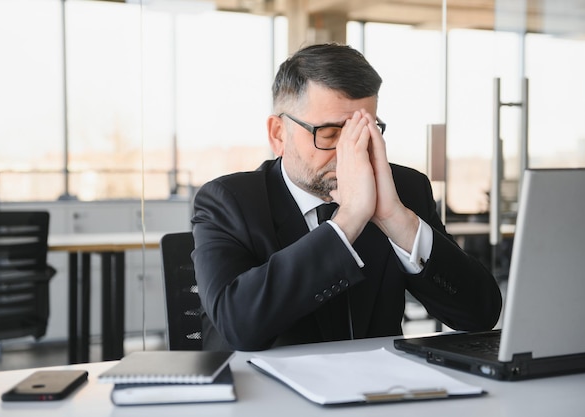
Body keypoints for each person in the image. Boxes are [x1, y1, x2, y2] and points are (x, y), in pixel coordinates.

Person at [191, 43, 502, 351]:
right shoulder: (228, 202)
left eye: (362, 132)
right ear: (278, 134)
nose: (348, 152)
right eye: (329, 134)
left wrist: (395, 219)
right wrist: (349, 219)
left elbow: (480, 315)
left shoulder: (403, 191)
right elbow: (237, 325)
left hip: (381, 392)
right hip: (267, 394)